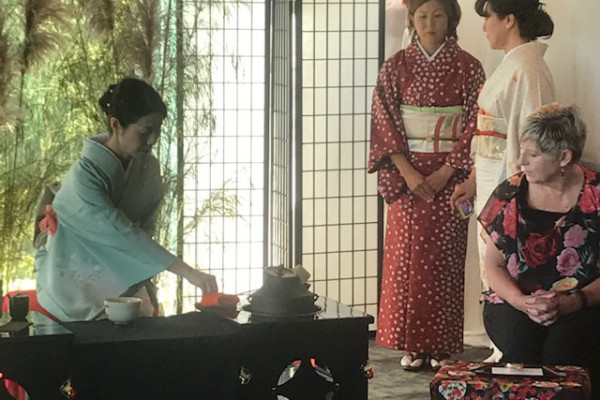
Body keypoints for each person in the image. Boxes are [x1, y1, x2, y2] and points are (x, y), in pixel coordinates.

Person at [35, 77, 218, 322]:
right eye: (144, 132)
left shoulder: (148, 167)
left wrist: (143, 274)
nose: (152, 140)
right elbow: (122, 232)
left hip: (122, 284)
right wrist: (187, 272)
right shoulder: (83, 179)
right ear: (116, 125)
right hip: (67, 292)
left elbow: (145, 226)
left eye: (157, 131)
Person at [368, 0, 485, 371]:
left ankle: (442, 344)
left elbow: (475, 123)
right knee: (406, 260)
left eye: (438, 15)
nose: (430, 23)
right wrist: (408, 172)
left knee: (444, 263)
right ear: (412, 21)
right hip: (408, 180)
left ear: (451, 19)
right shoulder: (395, 67)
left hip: (450, 181)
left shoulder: (469, 68)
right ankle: (412, 345)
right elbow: (384, 122)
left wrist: (447, 171)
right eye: (422, 16)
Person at [449, 0, 555, 361]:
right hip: (493, 174)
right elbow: (489, 134)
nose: (484, 27)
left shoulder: (528, 68)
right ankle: (500, 345)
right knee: (490, 262)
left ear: (509, 19)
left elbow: (533, 139)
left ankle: (508, 346)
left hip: (509, 181)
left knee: (505, 263)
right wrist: (476, 178)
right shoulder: (514, 64)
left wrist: (519, 191)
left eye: (488, 18)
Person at [478, 103, 600, 395]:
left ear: (564, 157)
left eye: (532, 154)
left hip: (584, 303)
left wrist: (573, 301)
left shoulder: (596, 194)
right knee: (522, 344)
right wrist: (523, 302)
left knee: (564, 349)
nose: (521, 161)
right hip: (512, 302)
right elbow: (492, 266)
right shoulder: (509, 192)